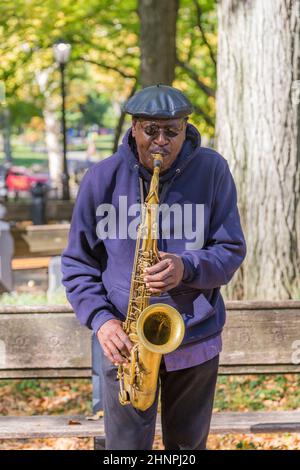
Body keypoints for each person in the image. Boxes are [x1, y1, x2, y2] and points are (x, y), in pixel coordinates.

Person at [61, 84, 246, 450]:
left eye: (171, 132)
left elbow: (230, 249)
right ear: (134, 128)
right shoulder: (101, 178)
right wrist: (101, 320)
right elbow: (77, 262)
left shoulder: (212, 171)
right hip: (124, 342)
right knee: (125, 452)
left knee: (187, 452)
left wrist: (187, 267)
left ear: (185, 128)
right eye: (151, 130)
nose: (160, 142)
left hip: (194, 337)